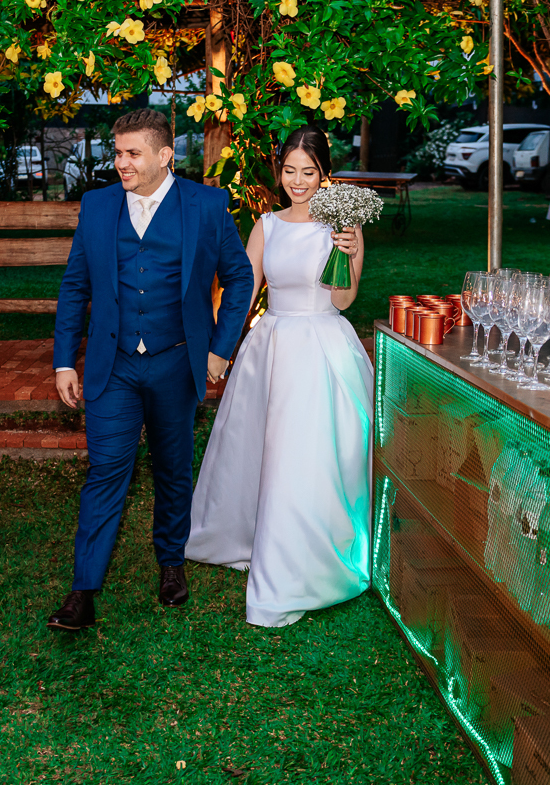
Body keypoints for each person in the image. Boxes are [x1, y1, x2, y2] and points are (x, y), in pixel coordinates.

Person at [47, 108, 254, 631]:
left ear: (165, 155)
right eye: (117, 153)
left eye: (132, 153)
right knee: (105, 473)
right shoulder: (96, 207)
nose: (121, 163)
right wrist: (63, 360)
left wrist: (220, 349)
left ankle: (170, 561)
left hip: (176, 361)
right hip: (112, 366)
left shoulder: (206, 205)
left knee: (172, 467)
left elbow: (239, 277)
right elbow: (75, 287)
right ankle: (82, 590)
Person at [186, 126, 374, 628]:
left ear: (323, 173)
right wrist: (220, 350)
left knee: (304, 457)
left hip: (320, 347)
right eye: (290, 170)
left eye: (308, 172)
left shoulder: (343, 225)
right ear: (280, 170)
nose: (297, 180)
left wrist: (349, 252)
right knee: (256, 448)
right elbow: (243, 293)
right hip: (270, 346)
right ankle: (248, 535)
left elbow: (343, 301)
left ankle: (303, 560)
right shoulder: (266, 225)